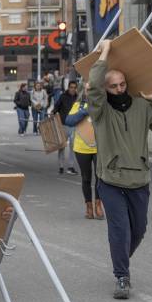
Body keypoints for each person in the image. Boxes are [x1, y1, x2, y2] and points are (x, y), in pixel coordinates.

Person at [87, 39, 152, 298]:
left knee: (139, 230)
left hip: (139, 178)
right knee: (119, 229)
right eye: (113, 86)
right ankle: (122, 277)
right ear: (106, 89)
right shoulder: (100, 111)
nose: (118, 89)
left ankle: (120, 256)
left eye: (122, 84)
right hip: (111, 180)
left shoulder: (142, 106)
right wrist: (105, 51)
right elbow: (93, 85)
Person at [63, 90, 102, 219]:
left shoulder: (102, 104)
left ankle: (98, 205)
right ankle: (89, 207)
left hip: (99, 148)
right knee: (86, 178)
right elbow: (69, 120)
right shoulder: (78, 106)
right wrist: (85, 111)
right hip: (81, 148)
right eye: (88, 90)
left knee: (100, 177)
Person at [49, 80, 79, 174]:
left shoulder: (78, 98)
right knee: (61, 146)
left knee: (73, 147)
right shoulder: (63, 97)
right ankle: (61, 166)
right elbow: (57, 107)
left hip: (74, 126)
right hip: (63, 125)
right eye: (71, 87)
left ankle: (71, 166)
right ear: (68, 87)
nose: (73, 89)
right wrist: (52, 112)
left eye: (74, 87)